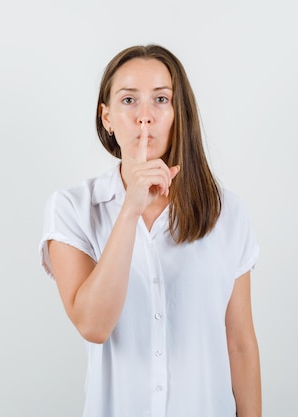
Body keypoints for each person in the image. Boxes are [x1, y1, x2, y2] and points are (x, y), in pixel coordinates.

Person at [39, 44, 261, 417]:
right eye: (129, 100)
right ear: (106, 117)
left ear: (179, 113)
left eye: (161, 99)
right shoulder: (73, 209)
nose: (145, 116)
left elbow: (239, 342)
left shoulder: (227, 212)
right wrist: (130, 210)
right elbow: (93, 325)